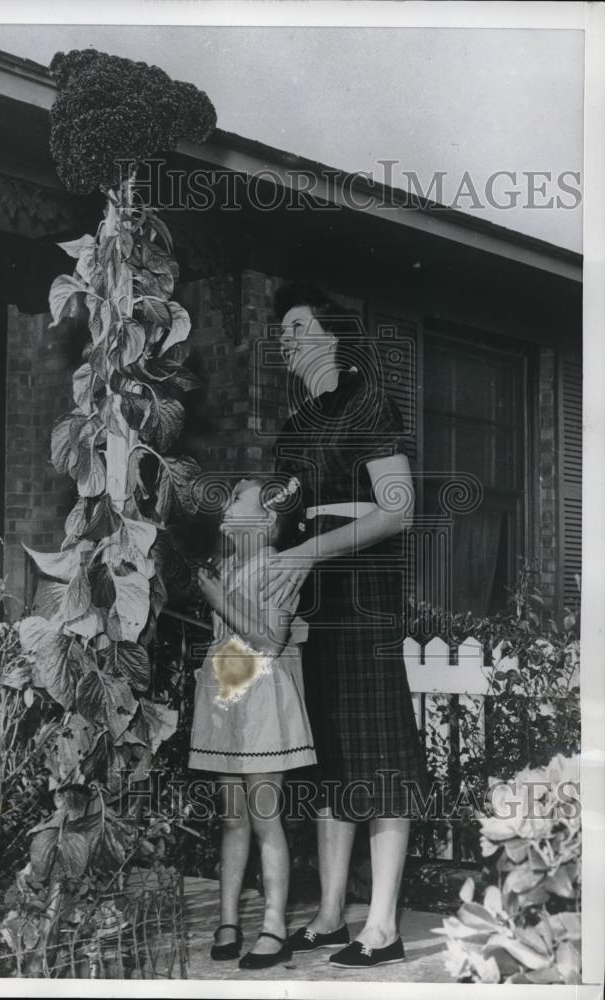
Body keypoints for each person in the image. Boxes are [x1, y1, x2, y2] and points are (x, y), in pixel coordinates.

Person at [263, 282, 430, 969]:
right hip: (314, 606)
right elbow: (289, 514)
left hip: (362, 599)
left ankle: (383, 927)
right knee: (330, 756)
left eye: (297, 327)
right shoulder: (298, 425)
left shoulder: (368, 403)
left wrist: (305, 545)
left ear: (332, 337)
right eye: (281, 332)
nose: (286, 339)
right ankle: (332, 913)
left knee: (378, 755)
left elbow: (397, 509)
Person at [188, 476, 316, 970]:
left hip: (261, 702)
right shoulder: (227, 566)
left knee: (265, 818)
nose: (226, 502)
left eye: (238, 497)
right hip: (227, 696)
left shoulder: (279, 567)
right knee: (232, 817)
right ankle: (228, 920)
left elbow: (268, 643)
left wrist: (218, 599)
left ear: (265, 520)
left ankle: (275, 924)